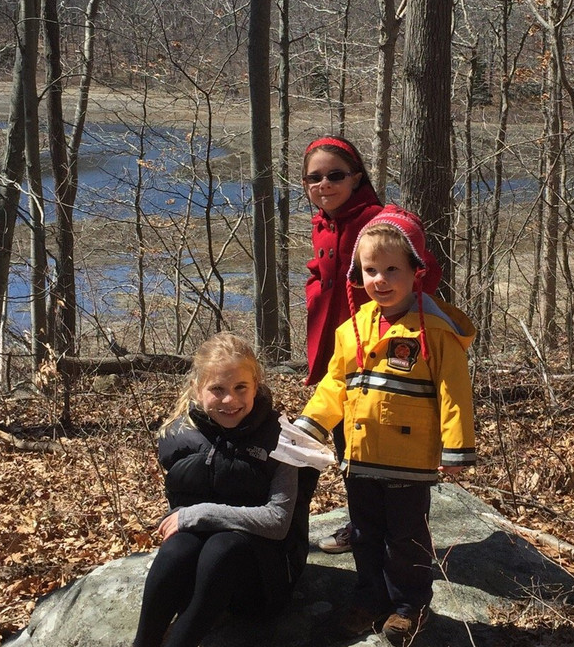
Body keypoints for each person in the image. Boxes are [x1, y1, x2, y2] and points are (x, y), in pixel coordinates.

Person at [295, 206, 476, 647]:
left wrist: (456, 449)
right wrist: (312, 425)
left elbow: (454, 393)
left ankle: (409, 606)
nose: (381, 279)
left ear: (416, 271)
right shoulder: (352, 330)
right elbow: (335, 384)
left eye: (392, 269)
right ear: (359, 275)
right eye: (371, 270)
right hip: (361, 457)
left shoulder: (436, 331)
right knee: (364, 534)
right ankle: (369, 598)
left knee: (406, 538)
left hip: (409, 460)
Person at [133, 332, 320, 647]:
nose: (229, 400)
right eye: (217, 389)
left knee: (224, 546)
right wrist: (190, 518)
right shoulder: (182, 434)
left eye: (240, 388)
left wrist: (201, 514)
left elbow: (277, 521)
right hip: (204, 581)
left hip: (263, 580)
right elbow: (179, 513)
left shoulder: (280, 439)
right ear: (197, 389)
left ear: (256, 385)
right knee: (178, 548)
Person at [302, 135, 382, 554]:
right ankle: (362, 526)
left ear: (356, 177)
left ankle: (379, 532)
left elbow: (423, 273)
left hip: (372, 357)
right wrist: (315, 289)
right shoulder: (324, 222)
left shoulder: (378, 222)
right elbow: (321, 270)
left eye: (335, 175)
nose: (324, 185)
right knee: (342, 444)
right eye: (313, 178)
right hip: (334, 357)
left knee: (369, 446)